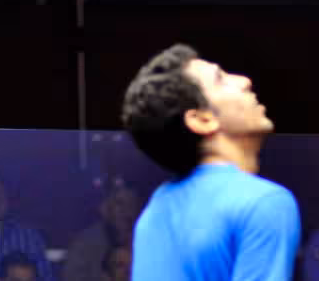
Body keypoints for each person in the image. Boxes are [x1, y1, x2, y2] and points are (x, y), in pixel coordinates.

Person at [123, 44, 301, 280]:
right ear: (202, 120)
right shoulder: (264, 202)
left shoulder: (156, 208)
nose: (244, 81)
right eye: (221, 80)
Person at [63, 186, 140, 281]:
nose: (126, 210)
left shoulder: (147, 241)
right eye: (120, 203)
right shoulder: (85, 245)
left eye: (131, 204)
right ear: (104, 208)